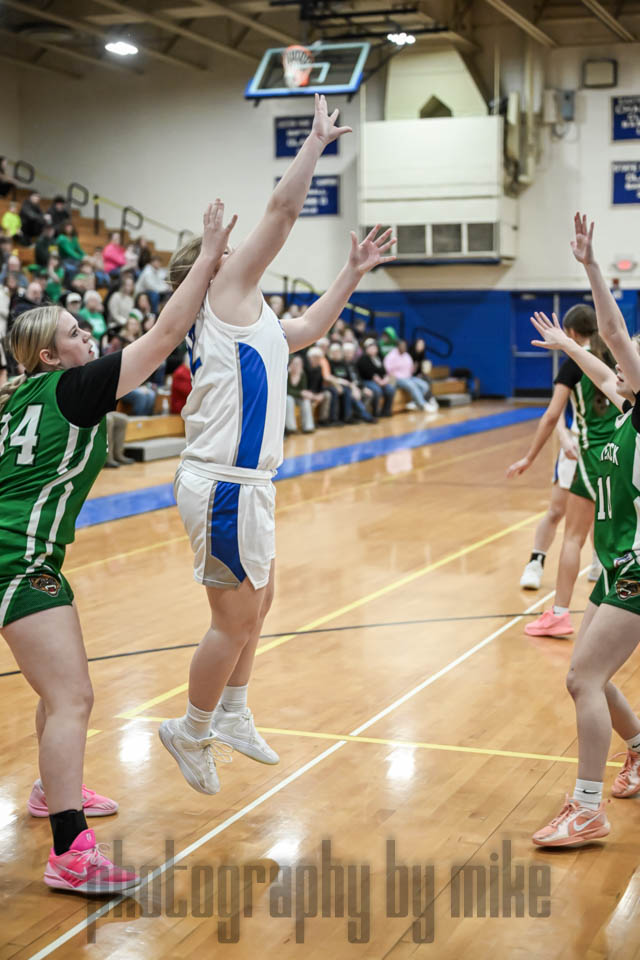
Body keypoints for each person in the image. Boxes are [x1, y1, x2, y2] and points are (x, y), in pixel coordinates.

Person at [158, 95, 395, 796]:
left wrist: (352, 272)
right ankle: (190, 728)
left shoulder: (251, 313)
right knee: (232, 620)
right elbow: (283, 214)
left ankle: (233, 712)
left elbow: (310, 329)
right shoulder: (221, 296)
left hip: (248, 484)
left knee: (259, 608)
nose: (243, 253)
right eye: (230, 254)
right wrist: (315, 143)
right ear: (210, 269)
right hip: (223, 483)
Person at [0, 199, 236, 891]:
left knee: (56, 691)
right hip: (16, 558)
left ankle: (49, 790)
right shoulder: (73, 388)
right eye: (77, 332)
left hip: (21, 551)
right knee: (74, 696)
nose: (90, 336)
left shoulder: (19, 396)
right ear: (52, 355)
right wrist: (209, 258)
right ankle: (70, 853)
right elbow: (164, 336)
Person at [529, 213, 640, 847]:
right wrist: (568, 347)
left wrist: (593, 266)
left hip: (637, 567)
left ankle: (588, 808)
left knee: (583, 679)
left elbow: (614, 336)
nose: (622, 361)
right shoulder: (626, 406)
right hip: (618, 560)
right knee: (585, 673)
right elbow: (603, 367)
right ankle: (639, 749)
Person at [507, 305, 617, 637]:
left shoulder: (573, 365)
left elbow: (552, 415)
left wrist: (529, 457)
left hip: (592, 455)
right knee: (619, 533)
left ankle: (559, 613)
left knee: (573, 537)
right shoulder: (614, 359)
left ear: (569, 333)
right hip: (623, 452)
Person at [519, 408, 601, 590]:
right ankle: (535, 562)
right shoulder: (570, 386)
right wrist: (563, 438)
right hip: (574, 444)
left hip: (603, 445)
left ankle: (599, 560)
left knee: (600, 511)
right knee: (556, 511)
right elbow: (556, 412)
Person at [384, 338, 438, 412]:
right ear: (398, 346)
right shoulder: (391, 356)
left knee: (424, 385)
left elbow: (411, 369)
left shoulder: (406, 355)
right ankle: (423, 404)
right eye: (402, 346)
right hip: (396, 378)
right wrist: (393, 378)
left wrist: (415, 369)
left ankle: (414, 403)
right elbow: (387, 369)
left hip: (408, 377)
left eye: (405, 346)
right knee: (411, 385)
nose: (404, 348)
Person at [357, 337, 396, 417]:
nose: (373, 349)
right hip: (367, 380)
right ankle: (376, 412)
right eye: (371, 347)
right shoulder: (363, 359)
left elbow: (384, 371)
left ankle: (386, 411)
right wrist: (380, 382)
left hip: (380, 380)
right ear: (366, 349)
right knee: (377, 390)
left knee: (390, 389)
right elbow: (370, 374)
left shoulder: (379, 357)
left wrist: (385, 379)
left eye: (374, 347)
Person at [285, 354, 317, 434]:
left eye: (299, 364)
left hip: (298, 397)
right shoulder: (286, 373)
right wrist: (300, 393)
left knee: (306, 401)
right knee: (289, 399)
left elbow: (303, 389)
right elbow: (287, 390)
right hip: (289, 397)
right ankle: (291, 428)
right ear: (291, 364)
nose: (297, 366)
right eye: (295, 363)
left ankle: (308, 427)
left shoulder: (302, 374)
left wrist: (306, 394)